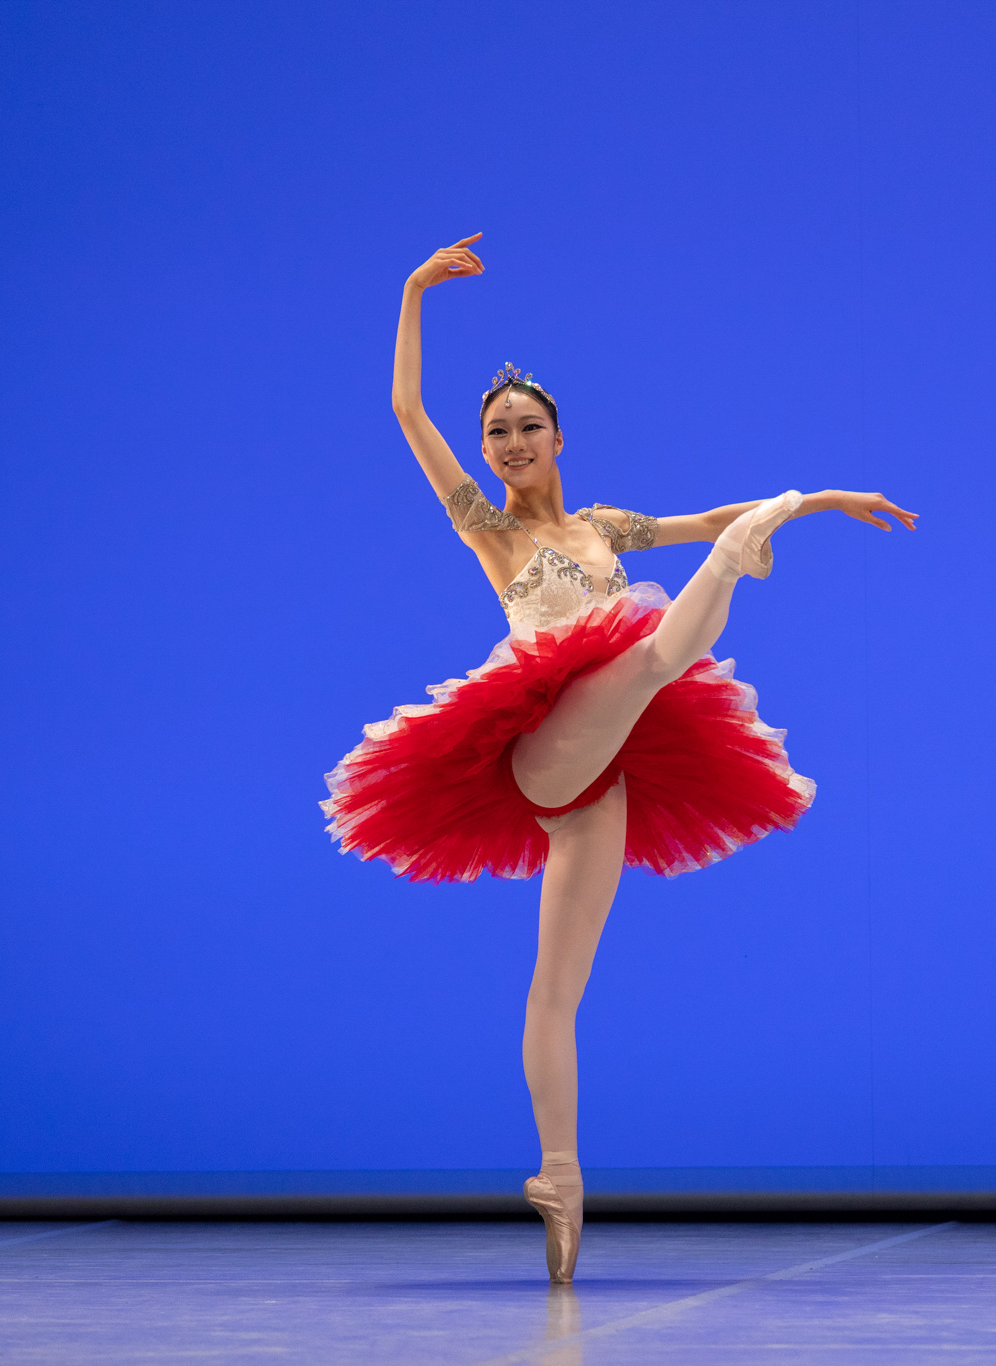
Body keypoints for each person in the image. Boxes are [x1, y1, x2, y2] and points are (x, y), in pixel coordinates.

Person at [321, 233, 918, 1282]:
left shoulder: (605, 527)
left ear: (559, 438)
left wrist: (821, 502)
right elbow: (407, 412)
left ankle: (559, 1177)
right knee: (648, 656)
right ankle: (734, 571)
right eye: (496, 432)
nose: (509, 443)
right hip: (542, 745)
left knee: (557, 990)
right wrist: (412, 291)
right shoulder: (489, 530)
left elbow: (705, 514)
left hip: (599, 784)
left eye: (526, 428)